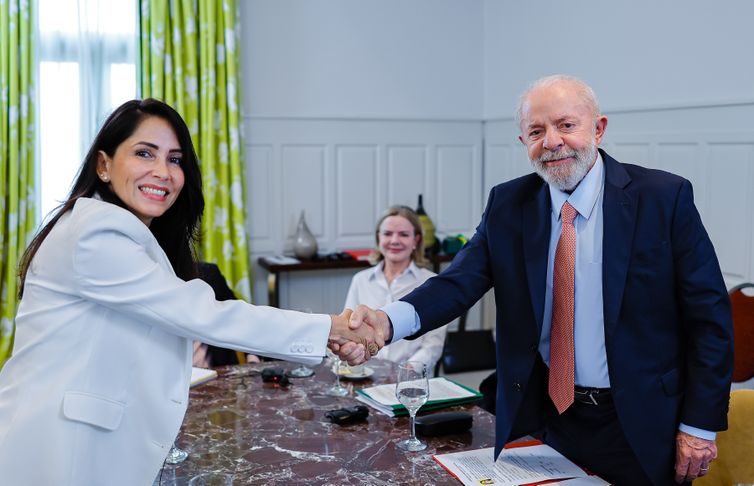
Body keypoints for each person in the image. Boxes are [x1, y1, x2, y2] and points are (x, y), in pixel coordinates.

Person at [343, 75, 733, 485]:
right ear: (523, 142)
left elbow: (709, 320)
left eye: (566, 125)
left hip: (643, 421)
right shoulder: (509, 204)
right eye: (536, 131)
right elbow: (457, 282)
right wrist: (387, 322)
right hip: (548, 418)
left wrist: (699, 426)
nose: (551, 141)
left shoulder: (662, 197)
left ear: (598, 128)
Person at [0, 99, 381, 486]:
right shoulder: (95, 234)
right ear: (103, 165)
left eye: (175, 159)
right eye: (144, 153)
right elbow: (204, 314)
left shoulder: (117, 231)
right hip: (60, 450)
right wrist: (332, 328)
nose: (162, 172)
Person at [344, 206, 447, 373]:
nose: (394, 240)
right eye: (387, 233)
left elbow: (433, 345)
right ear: (378, 238)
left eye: (404, 234)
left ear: (416, 240)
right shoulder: (360, 280)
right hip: (366, 376)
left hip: (411, 379)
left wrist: (409, 370)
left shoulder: (432, 283)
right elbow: (350, 332)